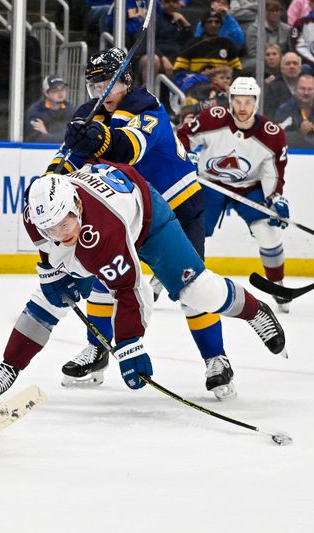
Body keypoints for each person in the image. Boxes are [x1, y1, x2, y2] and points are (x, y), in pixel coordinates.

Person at [32, 48, 234, 401]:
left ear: (126, 79)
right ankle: (98, 351)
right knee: (103, 281)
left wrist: (99, 140)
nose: (103, 92)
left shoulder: (146, 106)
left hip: (178, 206)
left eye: (109, 83)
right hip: (131, 213)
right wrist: (51, 181)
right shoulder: (88, 116)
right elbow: (66, 159)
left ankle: (216, 358)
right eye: (96, 85)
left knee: (192, 288)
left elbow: (131, 149)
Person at [0, 167, 287, 400]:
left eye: (63, 225)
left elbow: (130, 288)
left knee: (197, 290)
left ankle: (254, 311)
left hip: (148, 220)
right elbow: (49, 244)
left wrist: (131, 344)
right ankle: (9, 366)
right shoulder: (38, 216)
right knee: (49, 298)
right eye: (49, 228)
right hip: (105, 212)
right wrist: (50, 271)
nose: (58, 234)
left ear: (77, 205)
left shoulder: (103, 229)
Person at [177, 77, 292, 313]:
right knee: (192, 231)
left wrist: (275, 198)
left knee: (267, 231)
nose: (242, 107)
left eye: (248, 102)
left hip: (249, 188)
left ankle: (277, 284)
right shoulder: (213, 117)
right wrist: (186, 157)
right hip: (209, 183)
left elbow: (273, 173)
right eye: (237, 101)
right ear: (230, 101)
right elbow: (182, 137)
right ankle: (168, 279)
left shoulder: (272, 134)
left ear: (256, 103)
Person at [173, 11, 242, 91]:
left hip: (222, 89)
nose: (213, 25)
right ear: (203, 25)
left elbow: (237, 69)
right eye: (209, 21)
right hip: (197, 88)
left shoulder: (227, 44)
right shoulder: (192, 44)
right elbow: (178, 70)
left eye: (217, 22)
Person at [243, 1, 290, 73]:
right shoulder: (254, 29)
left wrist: (278, 59)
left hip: (280, 61)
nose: (274, 13)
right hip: (260, 61)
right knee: (254, 63)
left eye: (277, 11)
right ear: (265, 12)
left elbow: (289, 50)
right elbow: (253, 52)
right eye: (271, 11)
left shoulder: (287, 29)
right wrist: (269, 58)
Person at [24, 74, 70, 143]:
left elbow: (75, 139)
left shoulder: (71, 110)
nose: (60, 93)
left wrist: (46, 134)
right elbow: (35, 139)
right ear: (46, 93)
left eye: (62, 89)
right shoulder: (36, 111)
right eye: (55, 90)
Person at [263, 51, 302, 116]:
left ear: (300, 68)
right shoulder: (271, 87)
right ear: (282, 68)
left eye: (295, 63)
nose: (292, 66)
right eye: (288, 63)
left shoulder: (307, 86)